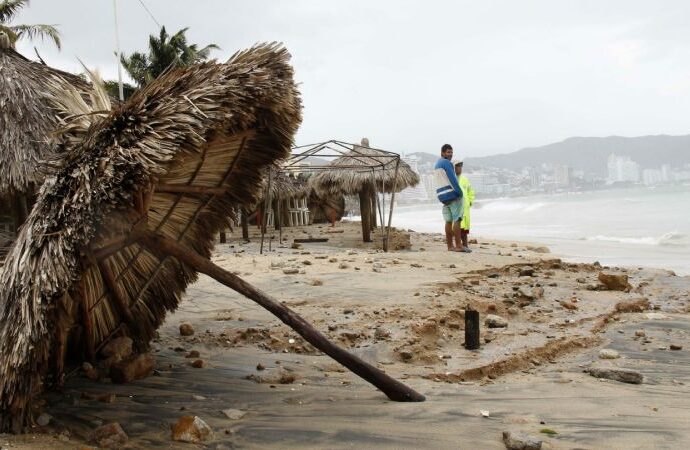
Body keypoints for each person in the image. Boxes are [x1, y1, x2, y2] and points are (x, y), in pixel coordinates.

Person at [434, 144, 464, 252]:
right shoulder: (446, 163)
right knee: (457, 219)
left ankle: (450, 246)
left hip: (442, 197)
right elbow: (452, 179)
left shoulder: (437, 164)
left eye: (451, 152)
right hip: (451, 194)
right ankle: (459, 246)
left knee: (448, 221)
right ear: (442, 153)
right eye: (448, 152)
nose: (450, 154)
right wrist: (460, 193)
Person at [455, 161, 475, 252]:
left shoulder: (465, 179)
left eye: (460, 166)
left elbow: (470, 191)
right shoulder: (452, 179)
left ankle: (465, 244)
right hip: (456, 207)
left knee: (465, 228)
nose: (459, 168)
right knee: (458, 227)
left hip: (465, 207)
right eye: (457, 166)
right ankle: (459, 245)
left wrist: (470, 201)